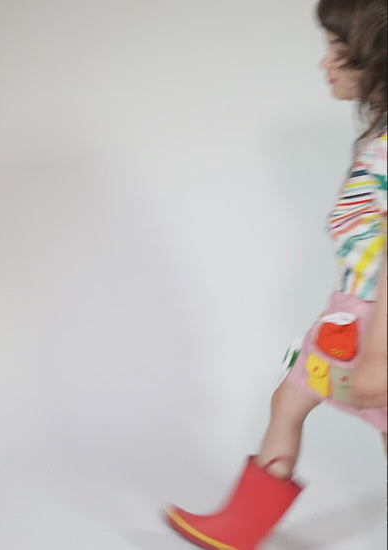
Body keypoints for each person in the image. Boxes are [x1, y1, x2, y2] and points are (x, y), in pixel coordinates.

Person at [165, 0, 387, 548]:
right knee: (288, 401)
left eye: (338, 50)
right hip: (347, 324)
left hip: (376, 330)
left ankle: (242, 525)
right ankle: (240, 525)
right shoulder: (377, 147)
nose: (324, 63)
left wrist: (379, 353)